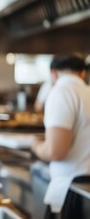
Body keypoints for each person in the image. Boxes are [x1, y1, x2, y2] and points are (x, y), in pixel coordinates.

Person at [31, 55, 90, 219]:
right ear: (83, 73)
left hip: (71, 190)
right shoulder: (87, 92)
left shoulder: (61, 92)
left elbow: (55, 151)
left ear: (54, 73)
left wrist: (35, 145)